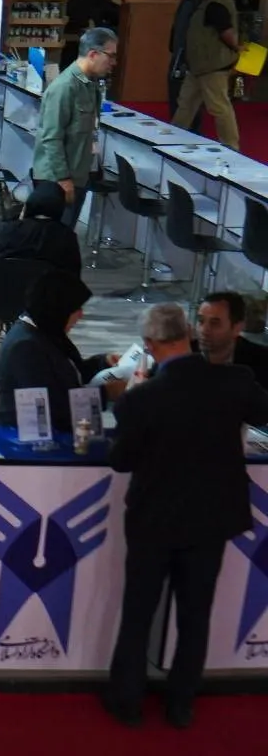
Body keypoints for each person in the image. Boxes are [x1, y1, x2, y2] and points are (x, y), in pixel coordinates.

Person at [105, 301, 268, 730]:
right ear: (189, 335)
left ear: (149, 345)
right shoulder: (236, 382)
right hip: (211, 519)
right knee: (195, 615)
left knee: (139, 611)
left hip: (153, 519)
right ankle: (181, 703)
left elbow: (121, 461)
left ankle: (127, 700)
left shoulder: (141, 399)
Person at [0, 268, 123, 431]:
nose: (81, 315)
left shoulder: (46, 330)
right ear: (59, 309)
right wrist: (105, 394)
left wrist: (102, 362)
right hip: (27, 434)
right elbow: (50, 407)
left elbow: (69, 374)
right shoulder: (25, 348)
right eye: (76, 309)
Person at [33, 26, 116, 229]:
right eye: (111, 56)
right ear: (93, 54)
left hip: (77, 176)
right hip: (56, 180)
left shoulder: (90, 85)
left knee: (65, 237)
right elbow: (52, 138)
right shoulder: (65, 87)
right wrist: (64, 179)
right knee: (54, 238)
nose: (113, 63)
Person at [174, 0, 241, 151]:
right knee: (186, 104)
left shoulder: (215, 5)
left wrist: (237, 48)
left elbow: (227, 32)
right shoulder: (211, 2)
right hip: (200, 66)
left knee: (219, 107)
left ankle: (232, 147)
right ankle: (173, 136)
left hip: (212, 66)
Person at [0, 186, 83, 275]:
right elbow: (73, 273)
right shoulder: (67, 236)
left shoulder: (13, 230)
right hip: (50, 287)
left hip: (8, 286)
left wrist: (20, 221)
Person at [196, 290, 268, 386]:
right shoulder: (185, 354)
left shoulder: (262, 361)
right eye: (201, 321)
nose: (204, 330)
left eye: (214, 323)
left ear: (237, 328)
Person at [168, 0, 208, 117]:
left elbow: (187, 24)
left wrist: (181, 52)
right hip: (185, 51)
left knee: (182, 96)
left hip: (186, 53)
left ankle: (183, 129)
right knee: (186, 98)